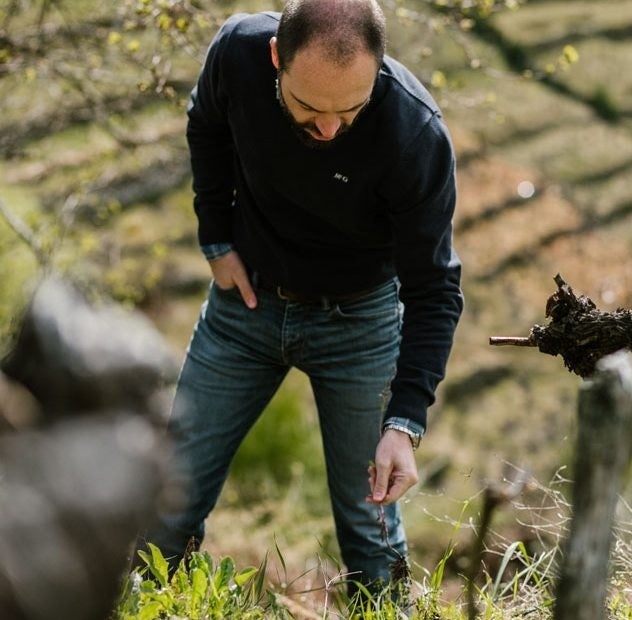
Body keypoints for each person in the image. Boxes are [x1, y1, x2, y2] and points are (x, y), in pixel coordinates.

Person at [136, 0, 463, 599]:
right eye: (309, 107)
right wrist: (214, 235)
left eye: (352, 109)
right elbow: (205, 122)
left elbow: (435, 288)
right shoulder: (237, 53)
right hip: (246, 306)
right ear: (274, 61)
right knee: (165, 502)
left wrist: (405, 422)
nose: (331, 128)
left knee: (370, 531)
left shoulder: (414, 135)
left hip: (360, 324)